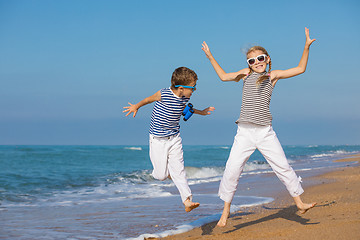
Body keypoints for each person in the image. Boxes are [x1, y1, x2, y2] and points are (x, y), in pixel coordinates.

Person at [201, 27, 317, 226]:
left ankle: (299, 203)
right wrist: (211, 57)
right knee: (232, 170)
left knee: (282, 166)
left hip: (265, 132)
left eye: (260, 58)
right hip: (244, 132)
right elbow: (223, 77)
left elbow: (300, 69)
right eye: (252, 61)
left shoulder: (273, 76)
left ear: (268, 59)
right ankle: (225, 211)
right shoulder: (245, 75)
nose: (256, 63)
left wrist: (306, 46)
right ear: (248, 64)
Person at [123, 66, 215, 212]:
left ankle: (187, 201)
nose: (194, 90)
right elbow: (148, 99)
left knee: (179, 170)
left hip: (174, 138)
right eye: (192, 87)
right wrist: (136, 107)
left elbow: (187, 108)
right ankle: (167, 174)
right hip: (158, 139)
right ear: (180, 88)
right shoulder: (163, 94)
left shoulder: (185, 97)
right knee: (161, 175)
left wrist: (201, 112)